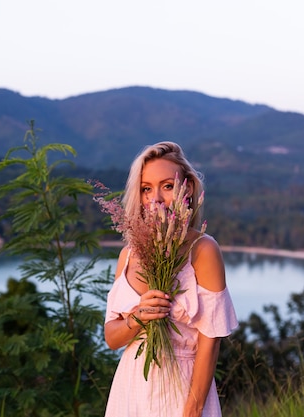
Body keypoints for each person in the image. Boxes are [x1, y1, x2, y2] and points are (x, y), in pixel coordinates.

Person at [104, 141, 238, 417]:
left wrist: (192, 410)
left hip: (182, 391)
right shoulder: (128, 255)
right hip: (130, 390)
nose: (156, 198)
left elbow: (210, 341)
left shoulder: (203, 250)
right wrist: (138, 316)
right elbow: (112, 338)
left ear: (186, 188)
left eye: (167, 186)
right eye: (146, 189)